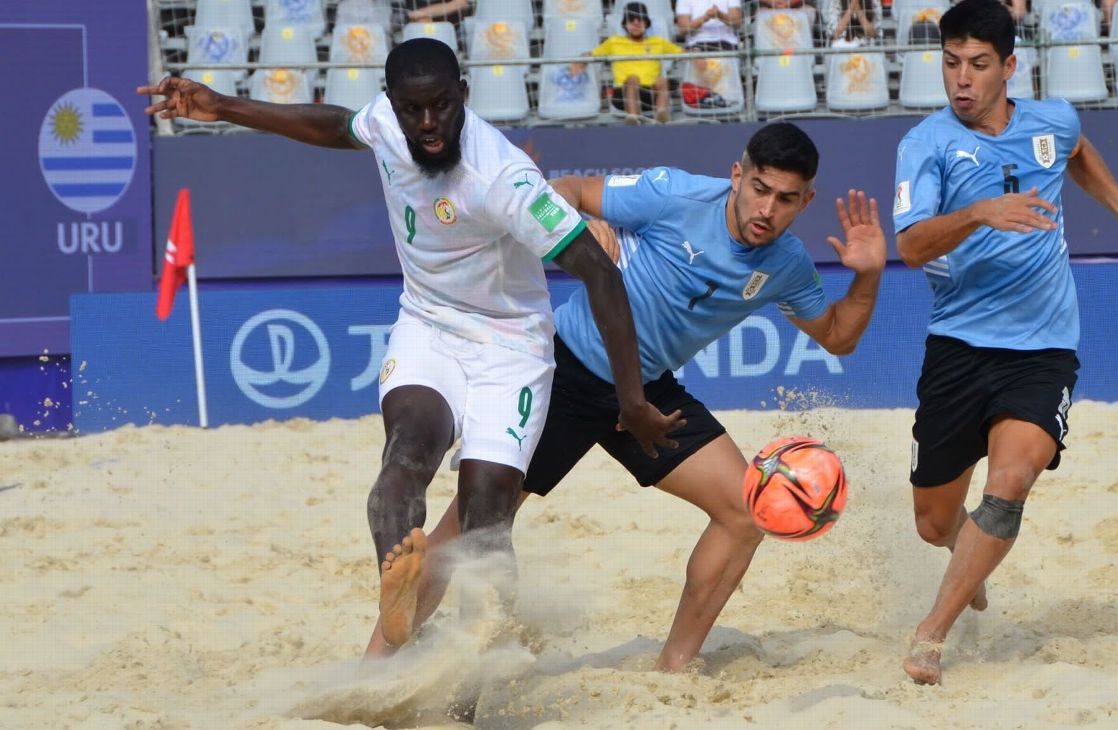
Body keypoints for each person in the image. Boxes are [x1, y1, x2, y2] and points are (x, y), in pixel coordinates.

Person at [138, 37, 682, 659]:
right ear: (392, 104)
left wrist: (632, 398)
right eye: (412, 110)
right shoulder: (388, 124)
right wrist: (222, 107)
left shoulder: (503, 177)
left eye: (442, 107)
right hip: (428, 324)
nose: (428, 125)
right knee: (404, 459)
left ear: (463, 96)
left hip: (511, 348)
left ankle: (473, 671)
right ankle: (397, 601)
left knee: (486, 512)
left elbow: (600, 273)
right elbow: (338, 127)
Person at [362, 122, 889, 672]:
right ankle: (373, 667)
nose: (767, 209)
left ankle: (673, 670)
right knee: (470, 530)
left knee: (744, 512)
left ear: (806, 202)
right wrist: (585, 221)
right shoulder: (674, 193)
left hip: (646, 392)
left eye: (785, 199)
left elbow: (836, 336)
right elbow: (562, 189)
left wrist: (869, 276)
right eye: (759, 188)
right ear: (738, 175)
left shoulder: (787, 264)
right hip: (562, 370)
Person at [890, 0, 1118, 685]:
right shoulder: (924, 144)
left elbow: (1077, 152)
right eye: (950, 63)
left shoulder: (1052, 120)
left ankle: (931, 635)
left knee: (1010, 481)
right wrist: (978, 212)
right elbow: (908, 246)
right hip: (958, 345)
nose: (961, 79)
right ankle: (967, 558)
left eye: (977, 65)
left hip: (1043, 346)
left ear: (1008, 67)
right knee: (933, 523)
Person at [572, 2, 682, 124]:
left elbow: (682, 53)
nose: (636, 22)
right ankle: (633, 118)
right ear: (625, 24)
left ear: (646, 23)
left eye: (640, 19)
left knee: (662, 81)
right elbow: (592, 54)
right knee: (632, 79)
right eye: (631, 19)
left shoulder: (658, 41)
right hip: (623, 94)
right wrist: (580, 61)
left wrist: (696, 53)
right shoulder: (614, 42)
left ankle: (661, 114)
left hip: (650, 93)